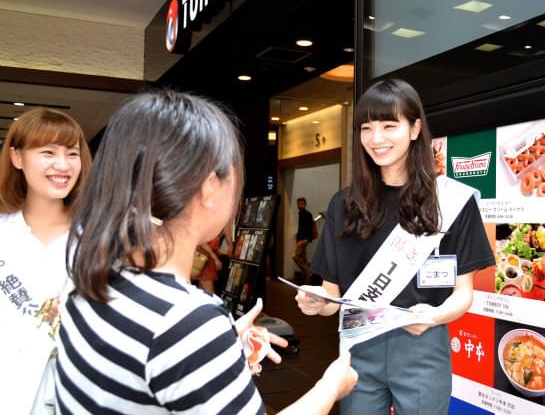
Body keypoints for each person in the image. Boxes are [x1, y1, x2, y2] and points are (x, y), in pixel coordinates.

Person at [56, 90, 357, 414]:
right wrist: (331, 386)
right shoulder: (185, 322)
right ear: (210, 186)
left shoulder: (90, 275)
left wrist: (218, 347)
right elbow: (173, 340)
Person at [295, 79, 495, 415]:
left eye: (390, 125)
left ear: (415, 128)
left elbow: (464, 294)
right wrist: (316, 303)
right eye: (366, 127)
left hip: (422, 347)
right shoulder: (344, 205)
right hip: (359, 345)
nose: (376, 138)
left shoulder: (450, 202)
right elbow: (332, 298)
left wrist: (435, 316)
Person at [0, 107, 91, 412]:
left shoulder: (97, 239)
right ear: (17, 157)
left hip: (76, 394)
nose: (62, 165)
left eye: (72, 153)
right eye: (48, 152)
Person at [292, 197, 314, 283]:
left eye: (301, 203)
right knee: (303, 258)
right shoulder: (300, 213)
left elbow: (309, 228)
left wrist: (308, 239)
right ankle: (307, 278)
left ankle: (308, 272)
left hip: (303, 240)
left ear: (305, 204)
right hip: (300, 238)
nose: (300, 205)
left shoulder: (307, 214)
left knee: (295, 256)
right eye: (298, 203)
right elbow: (302, 227)